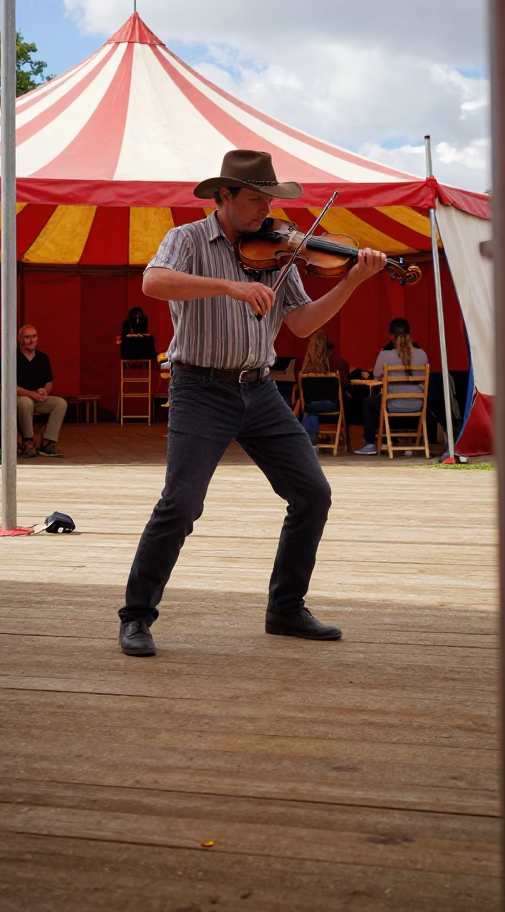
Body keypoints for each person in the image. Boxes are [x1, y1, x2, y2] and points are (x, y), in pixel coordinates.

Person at [118, 149, 387, 656]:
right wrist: (230, 287)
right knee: (181, 505)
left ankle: (285, 608)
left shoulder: (278, 250)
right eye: (256, 200)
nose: (267, 211)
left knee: (312, 494)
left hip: (259, 389)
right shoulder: (188, 239)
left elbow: (303, 324)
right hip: (200, 388)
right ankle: (136, 615)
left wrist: (353, 280)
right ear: (224, 196)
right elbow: (153, 282)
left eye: (270, 200)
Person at [354, 318, 431, 455]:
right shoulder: (422, 354)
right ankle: (411, 443)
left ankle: (370, 443)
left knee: (369, 402)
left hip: (392, 404)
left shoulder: (386, 355)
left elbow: (377, 374)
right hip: (418, 404)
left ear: (391, 336)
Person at [0, 325, 67, 458]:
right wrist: (31, 394)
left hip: (36, 398)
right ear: (20, 339)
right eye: (27, 337)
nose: (31, 340)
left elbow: (49, 382)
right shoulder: (10, 357)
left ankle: (48, 443)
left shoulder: (43, 358)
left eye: (34, 336)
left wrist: (44, 391)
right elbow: (5, 384)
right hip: (15, 399)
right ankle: (28, 442)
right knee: (26, 402)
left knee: (60, 403)